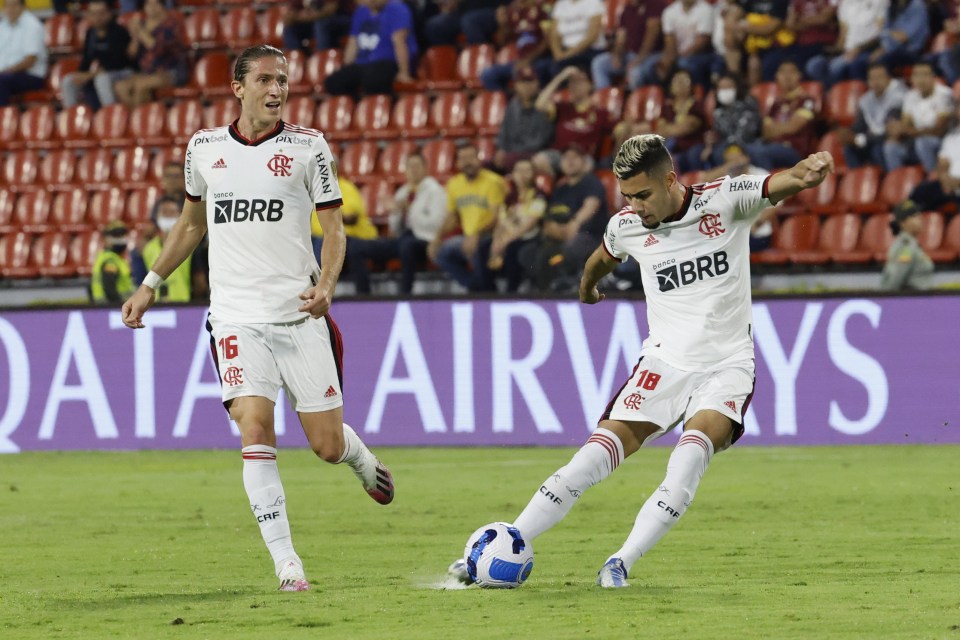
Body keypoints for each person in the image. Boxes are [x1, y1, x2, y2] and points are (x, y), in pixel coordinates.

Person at [449, 134, 835, 588]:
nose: (635, 205)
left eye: (643, 195)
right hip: (663, 364)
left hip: (726, 365)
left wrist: (809, 172)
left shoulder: (726, 201)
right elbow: (600, 259)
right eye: (627, 196)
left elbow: (783, 182)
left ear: (670, 179)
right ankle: (507, 545)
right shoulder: (626, 225)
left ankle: (621, 562)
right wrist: (587, 288)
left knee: (687, 460)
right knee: (589, 459)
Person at [120, 45, 394, 593]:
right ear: (238, 87)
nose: (277, 90)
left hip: (297, 316)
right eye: (266, 80)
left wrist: (326, 285)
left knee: (326, 446)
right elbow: (192, 227)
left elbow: (335, 231)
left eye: (284, 81)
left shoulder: (308, 147)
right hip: (235, 318)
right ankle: (287, 565)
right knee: (254, 425)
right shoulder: (203, 148)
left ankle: (359, 458)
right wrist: (151, 284)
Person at [347, 151, 447, 294]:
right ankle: (363, 295)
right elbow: (395, 231)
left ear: (425, 168)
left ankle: (405, 295)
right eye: (410, 166)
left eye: (417, 166)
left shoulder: (435, 191)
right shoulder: (403, 192)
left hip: (425, 240)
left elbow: (435, 225)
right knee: (356, 247)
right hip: (402, 239)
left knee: (407, 246)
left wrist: (409, 208)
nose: (413, 170)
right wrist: (395, 215)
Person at [522, 144, 607, 292]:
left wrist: (574, 223)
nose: (570, 161)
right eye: (566, 158)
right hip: (561, 237)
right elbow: (549, 218)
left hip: (589, 236)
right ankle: (544, 290)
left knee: (567, 251)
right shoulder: (560, 188)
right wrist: (555, 230)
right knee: (528, 252)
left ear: (584, 162)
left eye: (575, 157)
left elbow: (590, 207)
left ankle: (569, 289)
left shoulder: (591, 182)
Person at [428, 142, 507, 292]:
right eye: (463, 159)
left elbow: (496, 217)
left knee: (479, 248)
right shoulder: (454, 184)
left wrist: (476, 235)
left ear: (479, 159)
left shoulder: (493, 181)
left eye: (471, 157)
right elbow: (451, 218)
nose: (467, 162)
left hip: (492, 235)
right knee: (440, 252)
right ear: (457, 163)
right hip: (468, 237)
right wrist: (437, 238)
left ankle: (487, 292)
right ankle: (474, 286)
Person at [323, 0, 417, 97]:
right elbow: (353, 43)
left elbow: (400, 42)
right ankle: (355, 109)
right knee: (333, 82)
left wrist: (404, 73)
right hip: (363, 63)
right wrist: (347, 68)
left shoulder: (398, 9)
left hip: (387, 62)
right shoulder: (361, 11)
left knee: (372, 80)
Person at [486, 158, 546, 291]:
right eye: (519, 170)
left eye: (527, 170)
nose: (523, 174)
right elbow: (501, 223)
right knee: (484, 248)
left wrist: (505, 242)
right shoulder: (508, 198)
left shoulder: (538, 196)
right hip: (507, 236)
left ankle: (511, 291)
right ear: (512, 174)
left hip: (529, 238)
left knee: (512, 250)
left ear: (534, 174)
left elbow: (528, 225)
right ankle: (486, 291)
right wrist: (496, 241)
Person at [114, 0, 188, 107]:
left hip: (171, 71)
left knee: (140, 85)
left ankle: (138, 120)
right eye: (148, 4)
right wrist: (135, 37)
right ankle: (136, 117)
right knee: (121, 86)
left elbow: (158, 50)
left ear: (162, 6)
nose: (151, 7)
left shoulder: (171, 24)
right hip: (148, 71)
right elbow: (131, 54)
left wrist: (141, 31)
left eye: (155, 4)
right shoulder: (143, 24)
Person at [61, 0, 133, 110]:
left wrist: (90, 75)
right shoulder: (91, 33)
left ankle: (110, 114)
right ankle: (71, 116)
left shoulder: (119, 32)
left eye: (101, 13)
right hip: (101, 72)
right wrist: (80, 74)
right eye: (93, 13)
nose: (97, 17)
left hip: (124, 71)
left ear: (109, 13)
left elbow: (118, 62)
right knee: (68, 80)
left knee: (102, 79)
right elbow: (87, 59)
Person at [883, 61, 954, 172]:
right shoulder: (910, 96)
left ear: (933, 77)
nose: (921, 80)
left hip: (942, 144)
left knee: (923, 142)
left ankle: (933, 178)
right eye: (916, 75)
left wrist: (910, 131)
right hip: (916, 142)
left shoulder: (944, 94)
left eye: (925, 75)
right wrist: (896, 130)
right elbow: (905, 127)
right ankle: (897, 183)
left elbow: (940, 130)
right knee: (891, 147)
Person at [590, 0, 670, 91]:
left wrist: (639, 59)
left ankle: (636, 102)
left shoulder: (655, 3)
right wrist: (617, 55)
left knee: (635, 72)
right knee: (599, 63)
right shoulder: (627, 9)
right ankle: (604, 99)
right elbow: (621, 37)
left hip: (654, 54)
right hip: (631, 55)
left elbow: (652, 35)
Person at [844, 62, 906, 170]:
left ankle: (887, 180)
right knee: (849, 148)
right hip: (872, 139)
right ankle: (858, 180)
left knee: (878, 149)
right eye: (872, 78)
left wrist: (861, 139)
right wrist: (849, 134)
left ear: (888, 78)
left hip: (893, 140)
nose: (875, 82)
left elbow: (889, 129)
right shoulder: (866, 99)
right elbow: (859, 126)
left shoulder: (898, 95)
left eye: (879, 77)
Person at [492, 65, 554, 173]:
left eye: (530, 81)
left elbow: (541, 141)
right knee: (486, 165)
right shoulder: (513, 105)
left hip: (535, 154)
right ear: (516, 85)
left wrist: (511, 153)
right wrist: (501, 149)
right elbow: (504, 132)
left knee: (508, 161)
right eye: (523, 82)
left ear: (537, 83)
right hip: (511, 154)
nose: (527, 86)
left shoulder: (545, 105)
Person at [141, 196, 197, 303]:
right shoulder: (148, 248)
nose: (168, 216)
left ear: (180, 215)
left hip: (183, 304)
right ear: (157, 216)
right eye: (164, 212)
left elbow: (199, 281)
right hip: (154, 305)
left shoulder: (189, 245)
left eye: (172, 212)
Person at [0, 0, 47, 106]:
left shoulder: (32, 25)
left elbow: (30, 60)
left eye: (14, 5)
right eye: (7, 6)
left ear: (23, 7)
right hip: (6, 74)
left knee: (1, 81)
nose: (10, 9)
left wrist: (7, 71)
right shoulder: (2, 27)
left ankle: (2, 117)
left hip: (30, 76)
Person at [880, 200, 934, 290]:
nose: (919, 218)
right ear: (902, 223)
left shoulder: (912, 244)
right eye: (914, 216)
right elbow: (895, 279)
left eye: (918, 215)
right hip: (912, 298)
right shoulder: (906, 246)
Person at [281, 0, 354, 52]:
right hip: (315, 21)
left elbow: (331, 8)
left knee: (321, 24)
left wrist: (310, 17)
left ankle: (321, 62)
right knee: (289, 28)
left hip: (343, 19)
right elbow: (291, 12)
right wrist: (296, 17)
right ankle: (295, 63)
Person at [91, 221, 134, 304]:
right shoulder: (110, 261)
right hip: (111, 307)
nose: (120, 240)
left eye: (122, 235)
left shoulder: (114, 258)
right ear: (106, 239)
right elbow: (110, 291)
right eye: (116, 236)